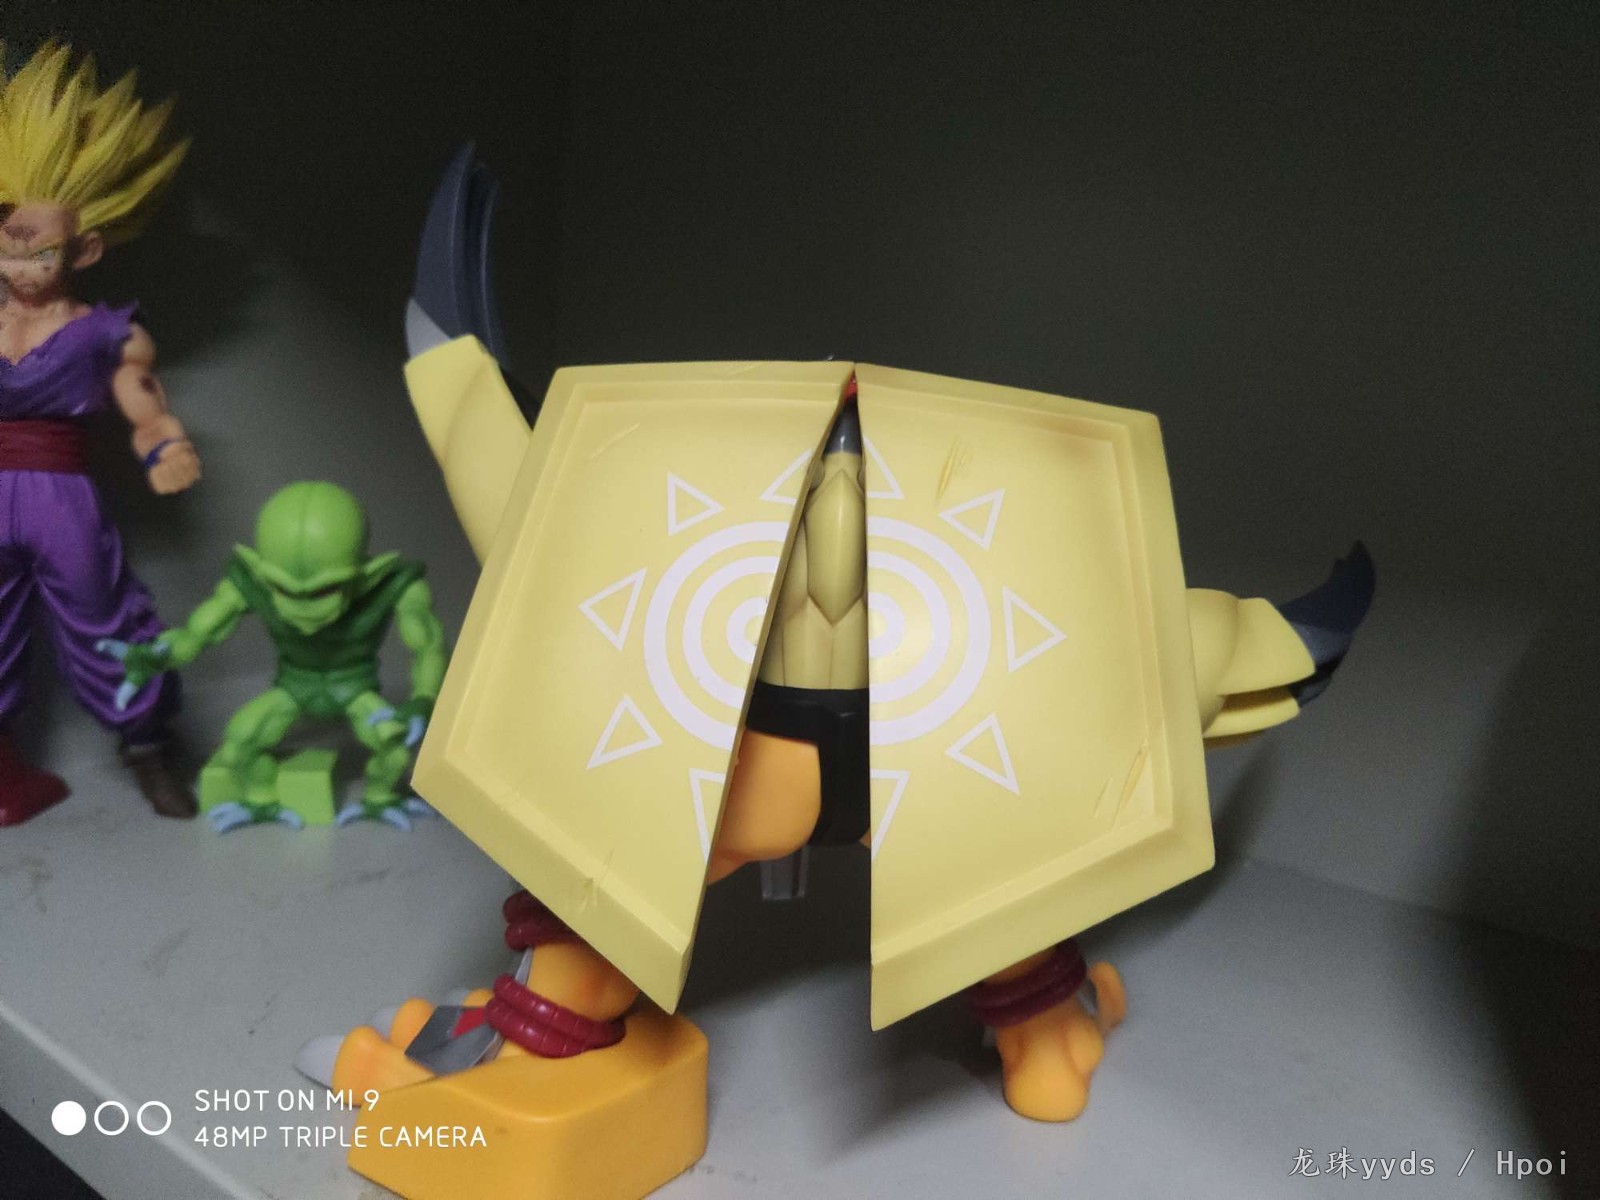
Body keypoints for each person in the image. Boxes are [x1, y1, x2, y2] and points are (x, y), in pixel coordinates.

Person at [0, 41, 198, 823]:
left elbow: (140, 397)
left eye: (40, 251)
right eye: (8, 245)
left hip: (61, 496)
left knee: (102, 614)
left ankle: (147, 747)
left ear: (83, 249)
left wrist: (164, 441)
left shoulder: (104, 330)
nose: (20, 265)